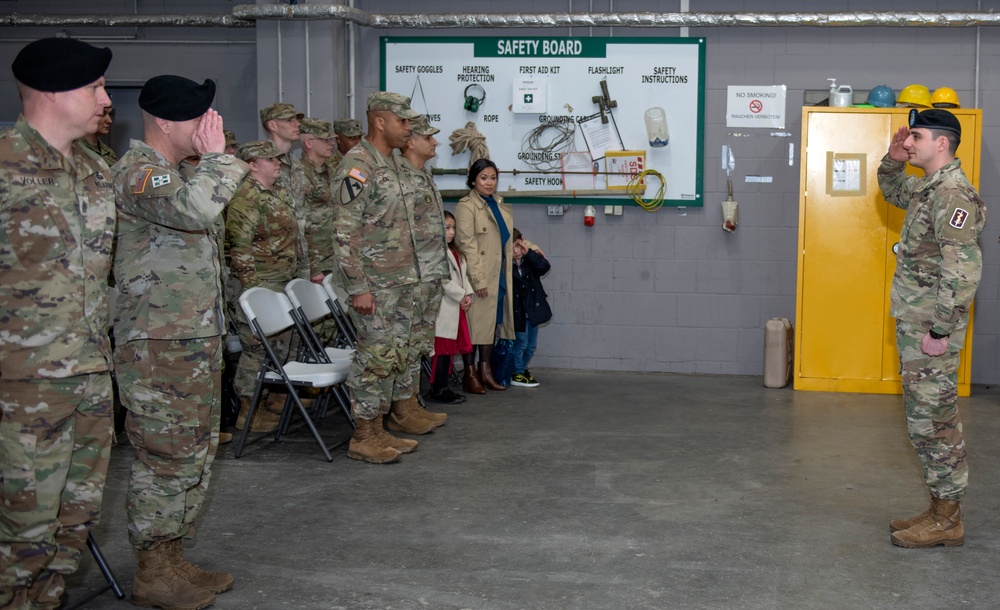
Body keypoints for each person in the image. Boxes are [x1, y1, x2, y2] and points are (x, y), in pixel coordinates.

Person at [112, 74, 249, 608]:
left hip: (189, 337)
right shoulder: (140, 174)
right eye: (200, 119)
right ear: (167, 121)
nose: (209, 129)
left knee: (192, 453)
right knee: (164, 455)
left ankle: (171, 556)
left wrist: (206, 163)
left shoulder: (179, 173)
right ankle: (151, 568)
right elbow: (195, 212)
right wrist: (219, 159)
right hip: (157, 341)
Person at [0, 37, 114, 610]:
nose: (106, 98)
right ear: (52, 90)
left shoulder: (95, 171)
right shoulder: (4, 164)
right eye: (95, 86)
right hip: (24, 391)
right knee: (20, 532)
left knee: (73, 521)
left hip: (90, 378)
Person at [878, 108, 985, 549]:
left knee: (935, 423)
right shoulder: (929, 188)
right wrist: (891, 158)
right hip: (918, 323)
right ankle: (940, 508)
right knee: (923, 422)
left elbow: (964, 271)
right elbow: (892, 189)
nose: (910, 143)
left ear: (942, 143)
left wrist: (940, 332)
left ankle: (948, 520)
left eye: (916, 137)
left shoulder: (954, 195)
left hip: (930, 330)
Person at [330, 91, 423, 464]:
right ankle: (362, 435)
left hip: (400, 282)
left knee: (393, 356)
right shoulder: (358, 165)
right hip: (374, 287)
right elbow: (343, 232)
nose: (409, 128)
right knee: (374, 359)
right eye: (403, 121)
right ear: (380, 121)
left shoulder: (396, 165)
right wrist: (358, 287)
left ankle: (380, 428)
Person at [225, 140, 307, 433]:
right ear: (252, 165)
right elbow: (239, 247)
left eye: (277, 158)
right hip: (257, 285)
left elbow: (295, 239)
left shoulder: (278, 193)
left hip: (280, 283)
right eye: (270, 159)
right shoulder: (246, 197)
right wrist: (251, 292)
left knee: (281, 345)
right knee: (257, 349)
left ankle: (271, 399)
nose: (277, 163)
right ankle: (249, 409)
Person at [391, 114, 450, 431]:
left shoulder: (422, 175)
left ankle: (410, 403)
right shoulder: (398, 178)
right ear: (411, 142)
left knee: (418, 343)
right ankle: (401, 411)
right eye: (429, 137)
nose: (435, 142)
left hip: (428, 274)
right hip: (410, 276)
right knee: (405, 342)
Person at [454, 158, 515, 392]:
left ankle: (485, 370)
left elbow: (505, 238)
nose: (489, 183)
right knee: (474, 326)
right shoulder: (466, 206)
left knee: (490, 325)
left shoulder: (497, 203)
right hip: (477, 275)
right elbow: (466, 245)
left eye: (493, 178)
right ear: (473, 180)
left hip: (496, 273)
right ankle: (470, 374)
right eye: (483, 178)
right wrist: (477, 280)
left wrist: (529, 246)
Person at [428, 211, 475, 403]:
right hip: (444, 308)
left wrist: (468, 294)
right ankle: (438, 389)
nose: (451, 232)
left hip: (455, 306)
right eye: (447, 228)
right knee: (442, 351)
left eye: (453, 227)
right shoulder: (434, 253)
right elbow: (442, 280)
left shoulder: (456, 252)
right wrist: (461, 294)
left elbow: (463, 278)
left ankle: (444, 386)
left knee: (449, 351)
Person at [510, 228, 552, 388]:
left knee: (531, 345)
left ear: (523, 241)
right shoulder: (508, 265)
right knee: (521, 342)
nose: (515, 251)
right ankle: (517, 372)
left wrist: (529, 253)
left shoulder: (530, 258)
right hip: (518, 311)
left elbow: (544, 267)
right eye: (511, 248)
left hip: (532, 310)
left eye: (517, 245)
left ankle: (521, 368)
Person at [298, 117, 338, 283]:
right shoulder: (301, 174)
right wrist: (313, 267)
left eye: (332, 139)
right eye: (325, 140)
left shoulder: (332, 170)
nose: (332, 143)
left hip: (335, 257)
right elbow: (301, 225)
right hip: (318, 262)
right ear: (309, 143)